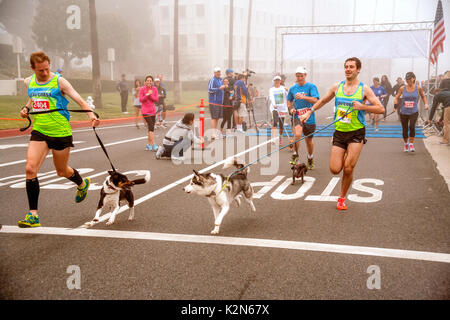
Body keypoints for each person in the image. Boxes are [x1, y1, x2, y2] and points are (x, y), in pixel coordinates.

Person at [18, 51, 99, 228]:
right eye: (41, 71)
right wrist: (25, 108)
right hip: (40, 130)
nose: (45, 73)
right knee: (30, 169)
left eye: (47, 69)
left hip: (60, 132)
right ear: (33, 68)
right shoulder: (28, 81)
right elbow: (34, 96)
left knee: (61, 171)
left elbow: (79, 100)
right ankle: (33, 215)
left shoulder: (59, 81)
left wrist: (91, 116)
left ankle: (81, 183)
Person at [300, 57, 384, 211]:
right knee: (334, 169)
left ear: (358, 69)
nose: (348, 69)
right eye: (346, 66)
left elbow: (381, 109)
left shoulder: (364, 89)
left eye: (352, 67)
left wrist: (362, 107)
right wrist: (308, 112)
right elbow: (323, 101)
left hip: (356, 133)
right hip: (339, 132)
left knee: (348, 168)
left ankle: (342, 198)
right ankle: (347, 156)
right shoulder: (336, 87)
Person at [287, 66, 320, 170]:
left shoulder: (311, 87)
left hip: (309, 117)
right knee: (297, 134)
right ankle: (295, 154)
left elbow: (316, 100)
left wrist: (303, 97)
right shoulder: (293, 88)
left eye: (301, 76)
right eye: (297, 76)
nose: (299, 78)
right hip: (297, 115)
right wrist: (291, 108)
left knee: (308, 140)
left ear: (305, 75)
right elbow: (289, 100)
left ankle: (310, 158)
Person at [393, 72, 428, 152]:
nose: (407, 81)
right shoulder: (402, 88)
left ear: (413, 78)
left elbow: (423, 96)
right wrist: (395, 106)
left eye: (409, 79)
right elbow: (396, 97)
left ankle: (411, 144)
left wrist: (426, 104)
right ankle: (406, 144)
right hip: (404, 112)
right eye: (406, 79)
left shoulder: (418, 88)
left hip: (414, 111)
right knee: (404, 128)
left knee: (412, 126)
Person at [429, 70, 450, 145]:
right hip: (447, 103)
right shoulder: (446, 92)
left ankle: (446, 140)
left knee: (447, 124)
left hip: (448, 105)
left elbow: (434, 108)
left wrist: (430, 119)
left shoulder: (438, 95)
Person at [139, 75, 159, 151]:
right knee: (151, 127)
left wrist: (150, 95)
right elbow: (141, 100)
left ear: (152, 82)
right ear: (145, 82)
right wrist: (147, 94)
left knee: (151, 129)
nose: (149, 82)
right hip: (145, 111)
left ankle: (148, 145)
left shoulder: (155, 89)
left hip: (153, 111)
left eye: (150, 81)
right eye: (148, 80)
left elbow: (156, 99)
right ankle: (154, 145)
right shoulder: (142, 89)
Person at [269, 75, 289, 146]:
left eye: (278, 80)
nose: (277, 82)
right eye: (275, 80)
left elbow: (288, 96)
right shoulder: (272, 89)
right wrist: (274, 104)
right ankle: (273, 139)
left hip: (282, 108)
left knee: (281, 126)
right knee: (275, 122)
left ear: (280, 81)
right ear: (274, 81)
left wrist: (288, 91)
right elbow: (271, 97)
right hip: (274, 108)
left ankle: (280, 137)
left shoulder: (283, 88)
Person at [208, 67, 225, 139]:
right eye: (217, 72)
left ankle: (214, 133)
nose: (219, 73)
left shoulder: (220, 80)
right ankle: (213, 134)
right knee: (214, 118)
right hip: (214, 102)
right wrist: (219, 88)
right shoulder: (213, 80)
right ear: (214, 73)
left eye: (219, 72)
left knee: (217, 118)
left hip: (220, 102)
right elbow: (210, 90)